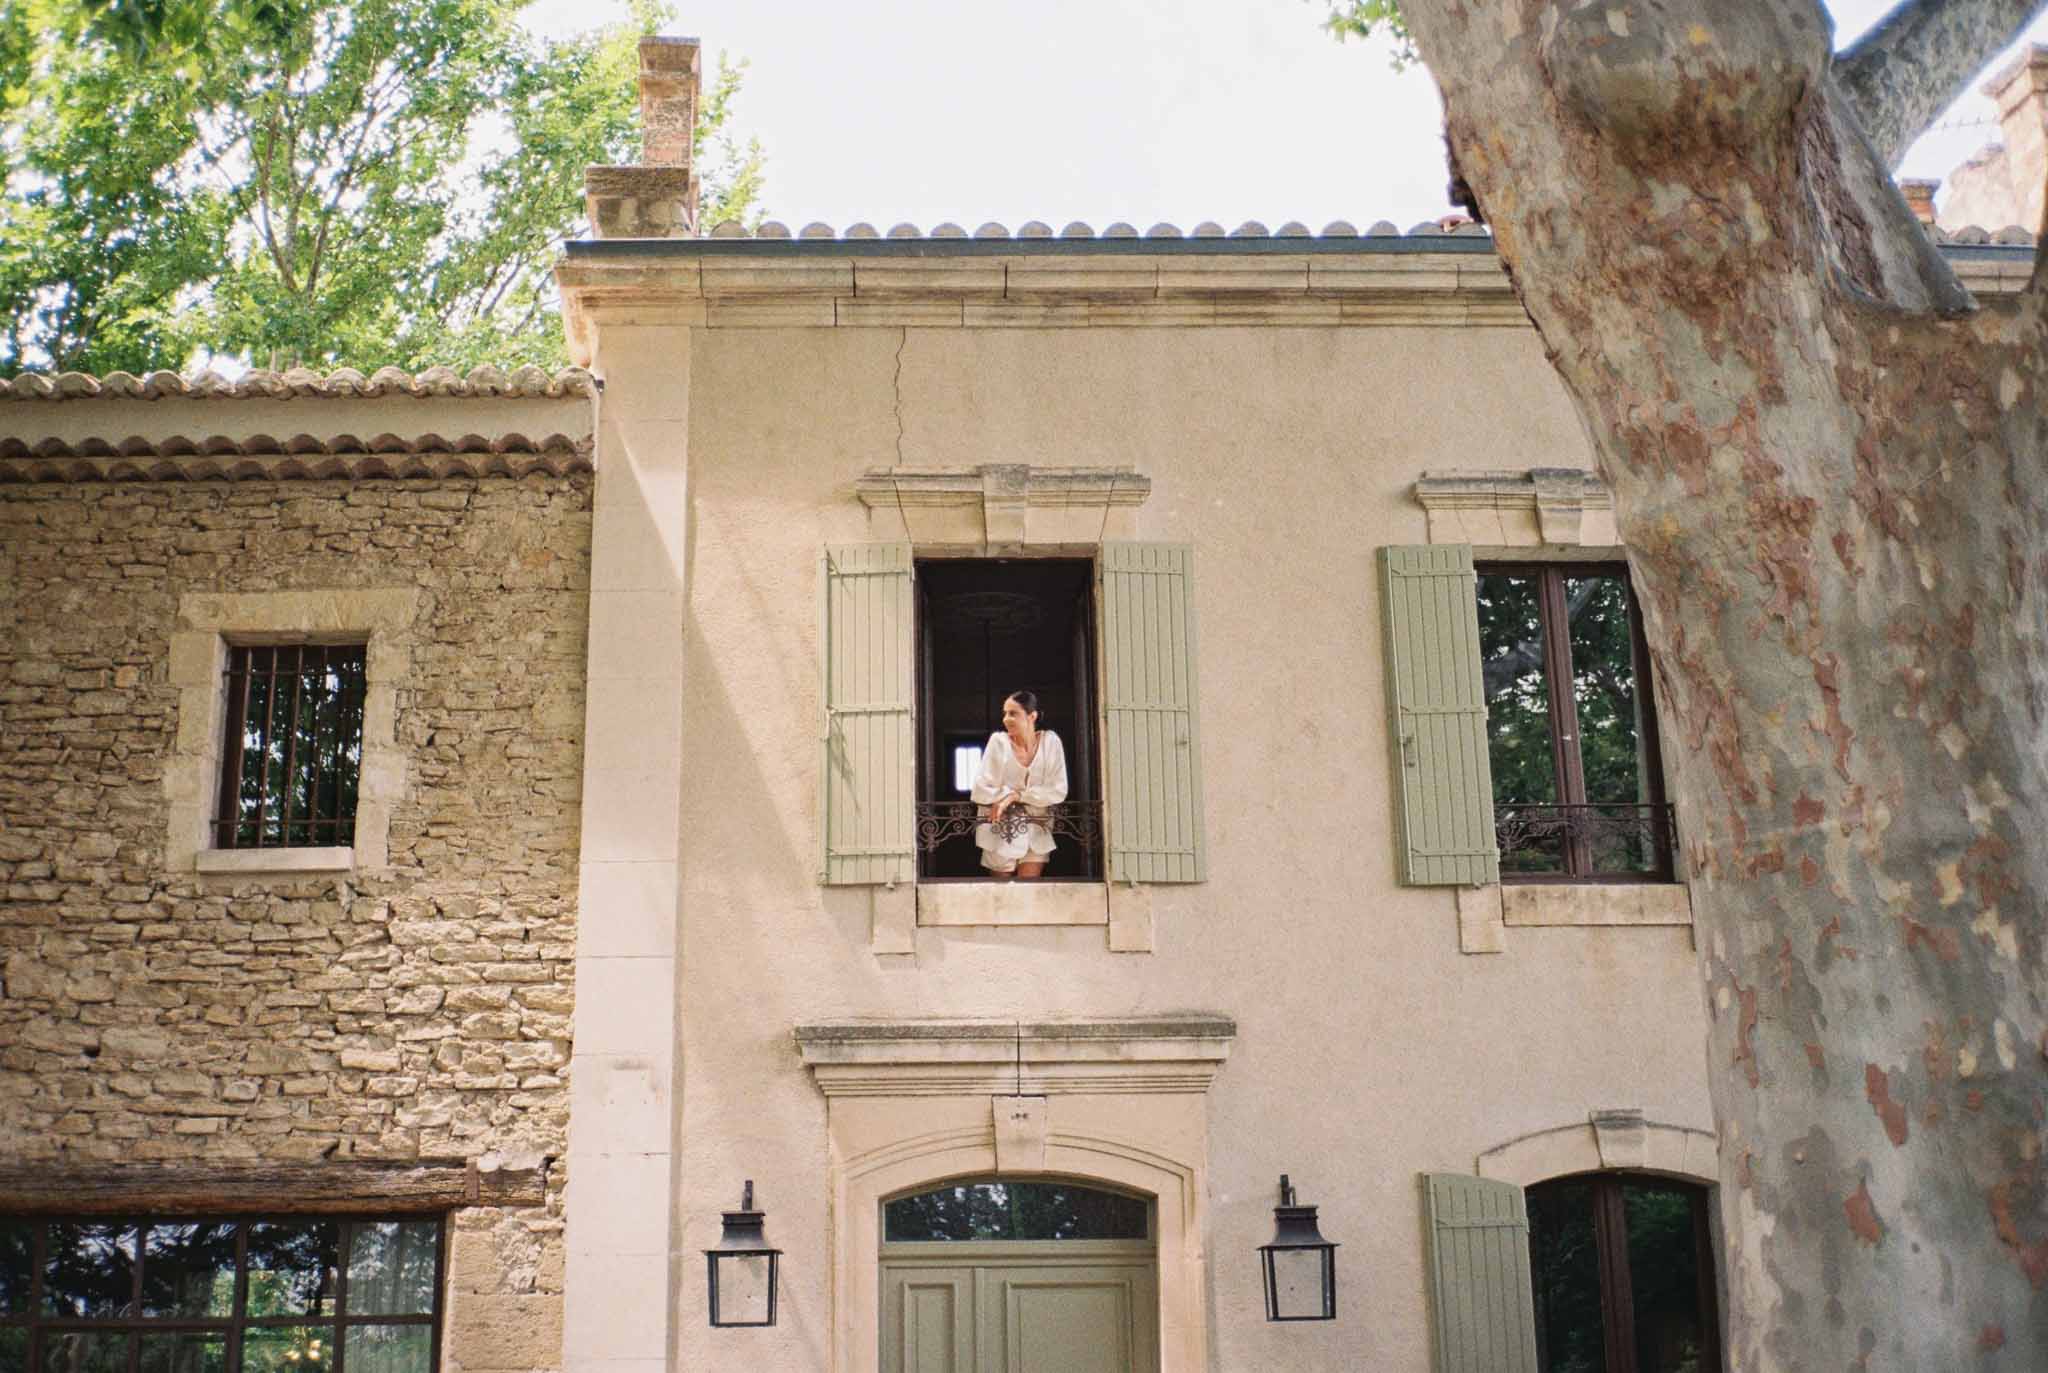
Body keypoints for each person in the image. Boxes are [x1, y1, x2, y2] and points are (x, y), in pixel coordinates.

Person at [970, 689, 1069, 878]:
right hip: (999, 830)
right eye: (1005, 713)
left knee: (1029, 893)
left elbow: (1058, 790)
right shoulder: (998, 742)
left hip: (1037, 828)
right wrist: (1008, 795)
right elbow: (980, 790)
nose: (1006, 719)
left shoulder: (1050, 742)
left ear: (1032, 716)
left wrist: (1016, 796)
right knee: (1001, 896)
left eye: (1013, 713)